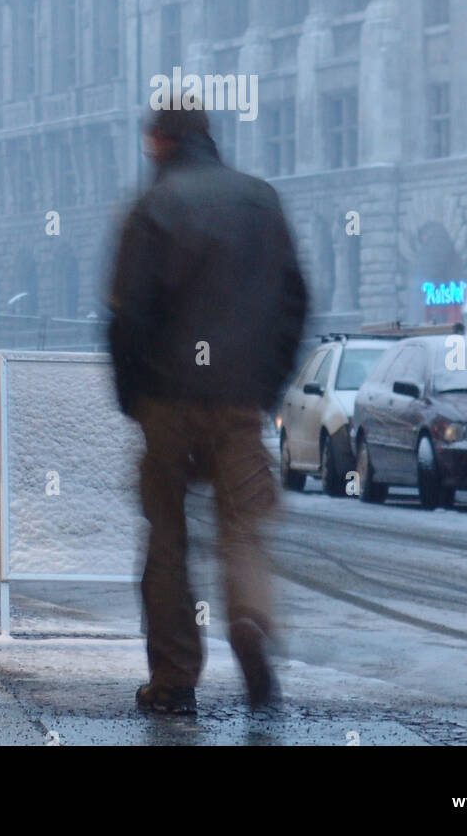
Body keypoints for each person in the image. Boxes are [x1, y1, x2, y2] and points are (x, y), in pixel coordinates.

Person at [107, 98, 307, 715]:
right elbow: (295, 303)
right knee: (243, 526)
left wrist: (133, 396)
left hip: (167, 397)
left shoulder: (153, 207)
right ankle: (249, 617)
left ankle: (173, 678)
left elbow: (126, 316)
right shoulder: (261, 200)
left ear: (159, 142)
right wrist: (266, 385)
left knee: (166, 536)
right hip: (239, 396)